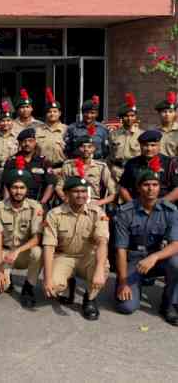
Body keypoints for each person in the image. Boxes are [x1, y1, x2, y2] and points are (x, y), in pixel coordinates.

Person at [113, 160, 178, 324]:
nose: (151, 189)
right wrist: (123, 283)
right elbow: (120, 249)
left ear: (159, 187)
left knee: (176, 262)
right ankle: (132, 285)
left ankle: (169, 303)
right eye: (146, 185)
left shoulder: (169, 210)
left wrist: (154, 257)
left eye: (155, 185)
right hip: (134, 260)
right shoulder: (125, 212)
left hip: (158, 258)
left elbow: (175, 244)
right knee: (126, 307)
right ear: (138, 188)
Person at [43, 167, 110, 320]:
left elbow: (102, 242)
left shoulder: (97, 213)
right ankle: (68, 284)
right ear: (66, 195)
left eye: (83, 191)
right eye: (75, 191)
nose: (81, 195)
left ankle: (90, 299)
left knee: (103, 267)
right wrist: (47, 279)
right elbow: (48, 247)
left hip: (88, 257)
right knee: (52, 287)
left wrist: (99, 271)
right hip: (65, 257)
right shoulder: (54, 214)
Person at [0, 163, 44, 308]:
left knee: (38, 252)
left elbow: (37, 238)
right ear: (8, 189)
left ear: (27, 190)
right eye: (14, 188)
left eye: (22, 188)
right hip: (5, 252)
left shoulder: (35, 207)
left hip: (24, 252)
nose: (18, 192)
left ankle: (28, 287)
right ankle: (8, 278)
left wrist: (18, 251)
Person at [55, 130, 116, 207]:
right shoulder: (68, 165)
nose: (86, 149)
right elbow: (59, 187)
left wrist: (99, 203)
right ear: (77, 149)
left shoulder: (101, 167)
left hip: (92, 202)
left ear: (94, 149)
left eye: (89, 147)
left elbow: (113, 193)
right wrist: (65, 199)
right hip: (72, 201)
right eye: (82, 146)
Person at [119, 130, 178, 203]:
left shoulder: (169, 163)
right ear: (140, 146)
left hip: (163, 206)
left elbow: (177, 189)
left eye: (153, 145)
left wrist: (161, 203)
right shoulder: (131, 163)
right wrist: (132, 205)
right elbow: (123, 188)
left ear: (159, 146)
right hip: (137, 206)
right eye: (145, 145)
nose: (149, 149)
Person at [1, 130, 55, 205]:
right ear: (19, 143)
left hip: (38, 200)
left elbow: (50, 184)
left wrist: (42, 202)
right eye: (24, 141)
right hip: (15, 201)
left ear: (35, 142)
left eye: (30, 141)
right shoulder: (11, 161)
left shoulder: (44, 161)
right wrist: (7, 203)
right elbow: (6, 185)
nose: (27, 144)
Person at [109, 92, 143, 183]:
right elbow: (110, 155)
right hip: (117, 172)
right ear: (121, 117)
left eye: (132, 116)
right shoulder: (113, 134)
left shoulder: (141, 135)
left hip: (135, 171)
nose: (129, 118)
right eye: (126, 116)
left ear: (135, 117)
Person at [64, 95, 109, 160]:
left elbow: (106, 150)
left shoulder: (102, 129)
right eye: (86, 113)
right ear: (82, 113)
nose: (89, 115)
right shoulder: (72, 128)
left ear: (97, 114)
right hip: (78, 164)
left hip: (97, 165)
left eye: (92, 113)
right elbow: (67, 149)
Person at [35, 88, 67, 174]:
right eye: (49, 112)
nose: (52, 114)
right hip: (41, 168)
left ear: (60, 113)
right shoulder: (37, 130)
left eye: (55, 111)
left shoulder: (66, 130)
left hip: (61, 169)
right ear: (45, 114)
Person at [155, 91, 178, 156]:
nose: (167, 114)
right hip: (158, 164)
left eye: (170, 112)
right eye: (164, 112)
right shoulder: (155, 132)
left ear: (175, 114)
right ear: (159, 114)